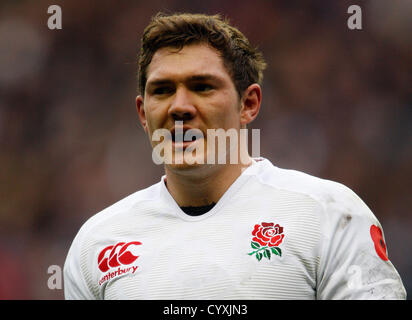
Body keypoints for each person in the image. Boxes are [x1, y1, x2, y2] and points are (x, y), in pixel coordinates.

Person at [63, 12, 406, 300]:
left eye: (202, 87)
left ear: (249, 104)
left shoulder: (329, 215)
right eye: (162, 90)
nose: (180, 106)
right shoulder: (96, 243)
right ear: (143, 113)